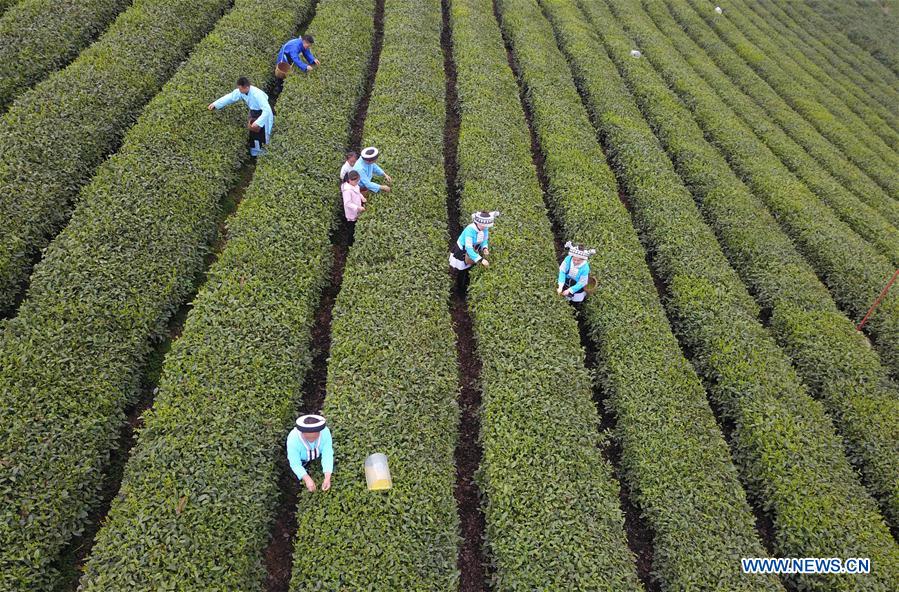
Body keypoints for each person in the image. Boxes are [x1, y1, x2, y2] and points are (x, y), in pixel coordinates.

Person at [208, 77, 273, 157]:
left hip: (263, 114)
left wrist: (258, 122)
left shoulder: (257, 94)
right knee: (253, 133)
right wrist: (215, 104)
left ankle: (264, 153)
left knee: (263, 134)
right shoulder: (241, 92)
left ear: (246, 87)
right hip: (254, 113)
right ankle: (255, 152)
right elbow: (230, 97)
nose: (239, 91)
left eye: (240, 89)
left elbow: (267, 110)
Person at [286, 414, 334, 492]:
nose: (312, 440)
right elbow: (295, 464)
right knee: (300, 475)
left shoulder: (325, 432)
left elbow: (327, 454)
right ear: (302, 432)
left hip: (318, 456)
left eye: (315, 437)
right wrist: (307, 479)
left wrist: (327, 477)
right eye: (308, 437)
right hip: (302, 460)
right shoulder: (293, 439)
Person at [341, 170, 366, 244]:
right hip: (351, 213)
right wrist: (358, 207)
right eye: (356, 181)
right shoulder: (347, 190)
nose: (357, 183)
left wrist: (362, 197)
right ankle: (350, 244)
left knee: (356, 226)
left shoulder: (354, 185)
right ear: (350, 180)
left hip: (357, 208)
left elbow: (358, 193)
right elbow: (347, 203)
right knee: (351, 230)